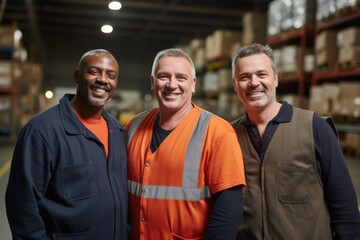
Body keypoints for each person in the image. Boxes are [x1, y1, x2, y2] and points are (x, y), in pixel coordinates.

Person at [231, 43, 360, 239]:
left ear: (275, 78)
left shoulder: (315, 128)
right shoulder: (228, 135)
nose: (254, 82)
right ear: (235, 85)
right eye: (244, 77)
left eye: (262, 74)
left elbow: (344, 207)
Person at [6, 49, 128, 239]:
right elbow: (22, 207)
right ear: (77, 76)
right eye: (94, 71)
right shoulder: (42, 131)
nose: (103, 80)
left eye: (111, 75)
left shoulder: (118, 131)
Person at [126, 48, 246, 239]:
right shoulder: (133, 128)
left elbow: (229, 209)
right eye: (163, 76)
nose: (172, 85)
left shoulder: (217, 132)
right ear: (152, 82)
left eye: (181, 78)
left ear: (193, 84)